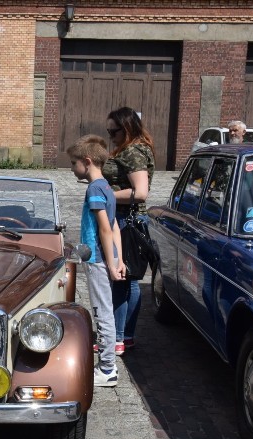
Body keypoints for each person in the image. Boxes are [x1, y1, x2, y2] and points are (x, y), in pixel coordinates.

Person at [68, 134, 125, 388]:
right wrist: (119, 259)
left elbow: (104, 228)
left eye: (73, 163)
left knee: (102, 313)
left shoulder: (94, 189)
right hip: (107, 258)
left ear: (87, 161)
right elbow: (115, 228)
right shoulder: (107, 188)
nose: (72, 167)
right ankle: (107, 365)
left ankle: (107, 369)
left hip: (98, 260)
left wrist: (111, 264)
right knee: (105, 310)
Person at [103, 107, 155, 356]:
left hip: (127, 220)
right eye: (108, 131)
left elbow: (141, 192)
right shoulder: (132, 148)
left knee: (122, 280)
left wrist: (106, 196)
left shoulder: (133, 151)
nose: (110, 135)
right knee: (130, 280)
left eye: (114, 131)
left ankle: (119, 338)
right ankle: (126, 336)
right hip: (127, 219)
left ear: (127, 128)